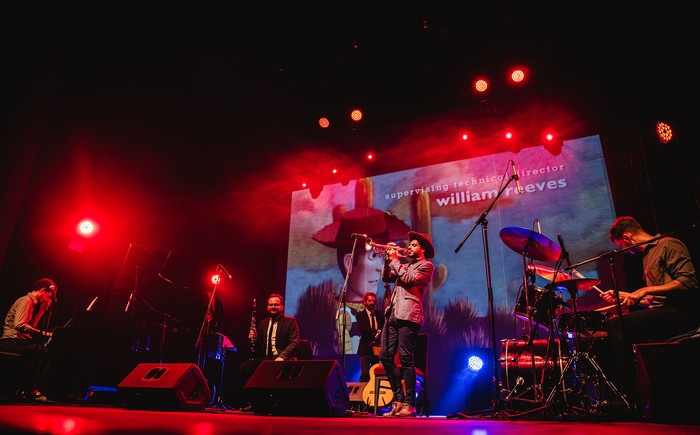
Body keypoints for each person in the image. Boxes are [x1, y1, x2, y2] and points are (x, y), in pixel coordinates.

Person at [601, 216, 699, 409]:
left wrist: (644, 290)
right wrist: (626, 296)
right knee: (617, 322)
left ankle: (628, 394)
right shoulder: (647, 256)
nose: (624, 251)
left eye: (622, 246)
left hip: (684, 312)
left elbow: (689, 281)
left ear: (628, 238)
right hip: (668, 310)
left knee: (616, 325)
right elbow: (657, 299)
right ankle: (643, 391)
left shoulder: (669, 244)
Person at [311, 206, 411, 355]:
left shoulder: (381, 311)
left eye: (382, 257)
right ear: (348, 262)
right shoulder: (326, 313)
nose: (380, 267)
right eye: (373, 257)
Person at [379, 231, 435, 417]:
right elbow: (386, 278)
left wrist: (395, 260)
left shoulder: (426, 266)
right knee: (386, 356)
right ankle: (398, 399)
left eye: (413, 245)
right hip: (393, 313)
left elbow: (409, 280)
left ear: (422, 249)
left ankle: (409, 405)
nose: (408, 247)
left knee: (405, 358)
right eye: (409, 245)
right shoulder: (403, 265)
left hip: (409, 315)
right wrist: (388, 260)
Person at [0, 278, 58, 401]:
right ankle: (36, 391)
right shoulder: (26, 301)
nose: (48, 299)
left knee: (39, 353)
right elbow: (20, 325)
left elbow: (31, 326)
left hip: (17, 342)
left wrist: (42, 310)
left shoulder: (32, 303)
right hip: (11, 342)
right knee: (47, 353)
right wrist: (45, 334)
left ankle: (27, 389)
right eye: (49, 295)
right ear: (43, 290)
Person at [239, 293, 300, 390]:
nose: (273, 307)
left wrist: (281, 357)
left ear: (282, 307)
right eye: (271, 305)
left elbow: (294, 342)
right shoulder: (263, 323)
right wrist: (254, 338)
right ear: (267, 307)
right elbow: (259, 347)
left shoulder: (290, 322)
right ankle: (253, 400)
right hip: (267, 358)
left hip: (282, 358)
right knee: (246, 367)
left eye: (276, 305)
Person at [356, 291, 384, 383]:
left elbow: (383, 327)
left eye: (373, 301)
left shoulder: (379, 314)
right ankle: (362, 395)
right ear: (365, 302)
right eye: (369, 301)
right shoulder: (360, 315)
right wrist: (375, 331)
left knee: (378, 373)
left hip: (377, 348)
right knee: (365, 373)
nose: (372, 303)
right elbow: (362, 329)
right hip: (365, 348)